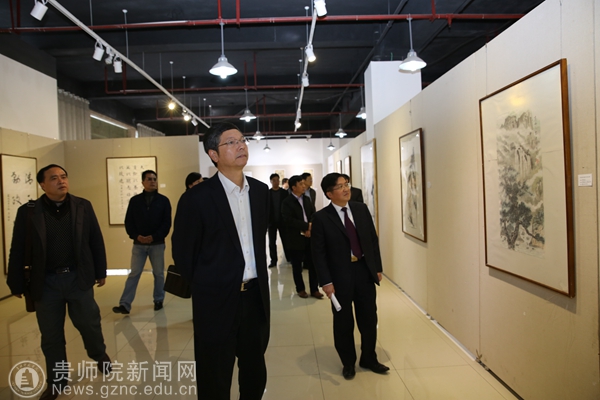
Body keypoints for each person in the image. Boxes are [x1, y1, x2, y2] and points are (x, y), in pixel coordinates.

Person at [172, 122, 270, 400]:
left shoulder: (260, 192)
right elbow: (184, 254)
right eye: (231, 142)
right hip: (215, 301)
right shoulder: (196, 198)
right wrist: (208, 286)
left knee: (254, 371)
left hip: (254, 298)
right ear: (213, 154)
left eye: (242, 140)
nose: (241, 146)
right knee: (214, 375)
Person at [7, 164, 111, 400]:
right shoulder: (29, 212)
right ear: (42, 185)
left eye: (64, 177)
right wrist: (16, 282)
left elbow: (95, 239)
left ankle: (99, 354)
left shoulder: (83, 206)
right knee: (51, 335)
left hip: (77, 277)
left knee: (89, 324)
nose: (61, 181)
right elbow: (18, 247)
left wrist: (100, 271)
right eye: (54, 178)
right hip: (46, 282)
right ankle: (57, 380)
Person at [311, 172, 389, 380]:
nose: (346, 189)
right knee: (343, 322)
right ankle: (348, 362)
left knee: (369, 317)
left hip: (363, 271)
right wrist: (326, 282)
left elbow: (372, 240)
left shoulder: (360, 209)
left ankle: (369, 358)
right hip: (339, 277)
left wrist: (377, 267)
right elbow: (318, 253)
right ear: (329, 194)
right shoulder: (321, 218)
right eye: (340, 186)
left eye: (346, 184)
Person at [113, 170, 172, 314]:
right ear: (143, 182)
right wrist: (136, 236)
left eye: (154, 179)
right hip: (139, 245)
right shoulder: (135, 201)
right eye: (149, 179)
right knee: (134, 273)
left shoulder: (163, 201)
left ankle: (158, 299)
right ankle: (125, 304)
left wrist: (154, 236)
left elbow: (166, 223)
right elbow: (129, 221)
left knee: (158, 273)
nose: (153, 181)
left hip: (157, 244)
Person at [281, 175, 322, 299]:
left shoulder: (307, 199)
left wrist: (310, 227)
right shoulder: (287, 202)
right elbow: (288, 220)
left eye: (304, 184)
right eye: (301, 184)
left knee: (313, 264)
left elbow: (313, 214)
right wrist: (306, 226)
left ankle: (314, 289)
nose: (304, 186)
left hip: (309, 236)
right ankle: (300, 289)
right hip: (295, 238)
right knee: (297, 266)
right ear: (293, 187)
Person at [268, 173, 288, 267]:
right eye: (274, 180)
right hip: (271, 222)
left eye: (277, 180)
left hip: (282, 221)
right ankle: (273, 260)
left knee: (286, 240)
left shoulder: (284, 193)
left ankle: (289, 258)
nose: (276, 182)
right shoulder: (268, 193)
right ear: (271, 181)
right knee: (272, 242)